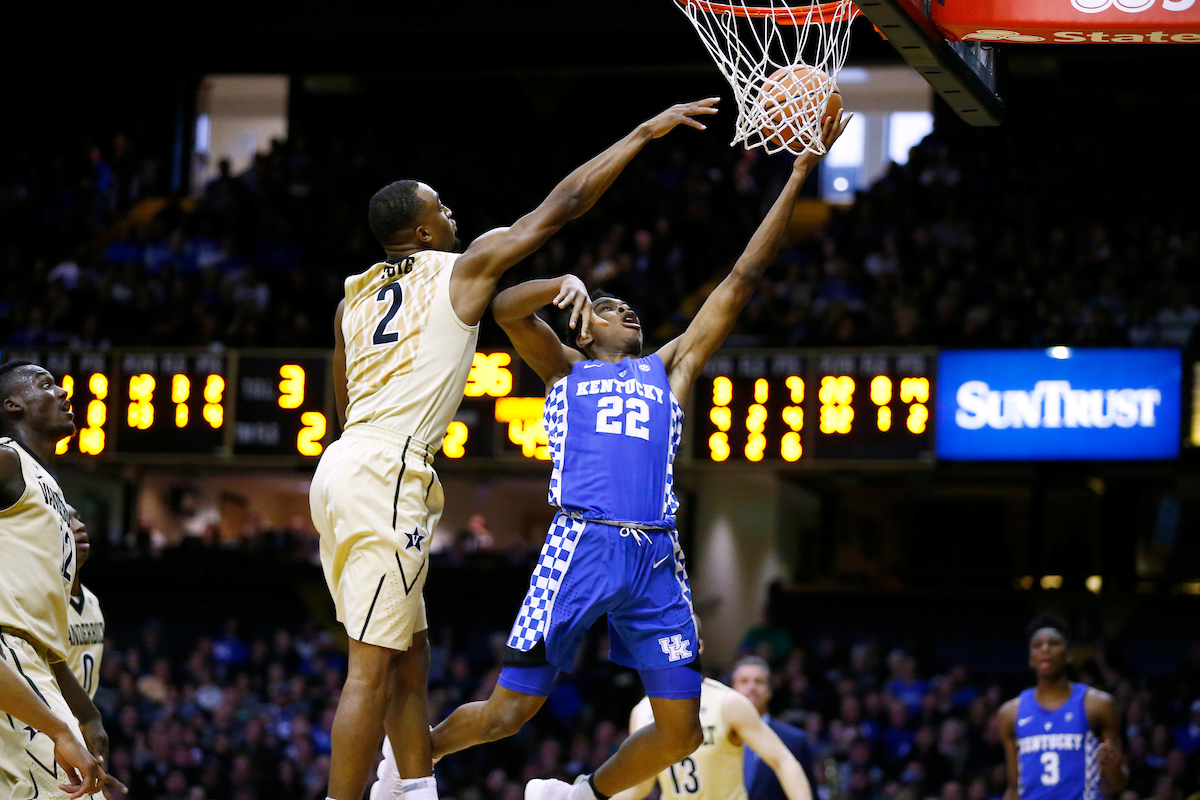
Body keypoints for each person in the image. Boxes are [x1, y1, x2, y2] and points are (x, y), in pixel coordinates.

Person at [428, 111, 851, 800]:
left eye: (628, 307)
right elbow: (504, 307)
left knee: (682, 731)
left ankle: (584, 795)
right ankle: (413, 760)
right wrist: (553, 284)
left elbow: (741, 279)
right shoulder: (564, 370)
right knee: (511, 712)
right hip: (583, 542)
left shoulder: (670, 367)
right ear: (584, 325)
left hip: (657, 555)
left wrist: (800, 175)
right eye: (608, 304)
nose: (623, 309)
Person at [307, 98, 721, 800]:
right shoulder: (458, 269)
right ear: (420, 228)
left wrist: (361, 444)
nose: (451, 212)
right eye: (439, 206)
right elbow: (562, 205)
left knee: (411, 653)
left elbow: (338, 384)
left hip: (343, 461)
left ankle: (411, 786)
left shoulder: (356, 292)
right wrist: (642, 132)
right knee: (371, 669)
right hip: (388, 470)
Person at [0, 360, 124, 799]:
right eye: (45, 384)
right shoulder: (8, 458)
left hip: (32, 664)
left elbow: (44, 639)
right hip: (10, 658)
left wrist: (87, 714)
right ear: (12, 404)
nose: (63, 392)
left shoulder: (45, 485)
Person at [612, 627, 814, 800]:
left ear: (697, 646)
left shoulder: (727, 702)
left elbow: (783, 761)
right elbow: (641, 785)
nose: (671, 649)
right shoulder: (642, 711)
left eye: (679, 640)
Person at [996, 615, 1128, 800]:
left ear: (1069, 655)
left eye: (1054, 643)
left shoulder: (1099, 705)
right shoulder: (1009, 713)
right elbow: (1013, 789)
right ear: (1031, 659)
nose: (1045, 649)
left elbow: (1117, 785)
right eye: (1037, 645)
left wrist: (1114, 769)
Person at [730, 656, 816, 800]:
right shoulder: (715, 735)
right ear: (731, 690)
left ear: (769, 690)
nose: (751, 687)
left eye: (758, 682)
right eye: (744, 681)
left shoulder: (794, 741)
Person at [64, 506, 104, 698]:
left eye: (79, 518)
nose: (80, 526)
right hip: (47, 725)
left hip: (82, 724)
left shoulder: (92, 601)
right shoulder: (38, 604)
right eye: (67, 520)